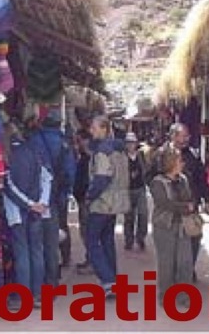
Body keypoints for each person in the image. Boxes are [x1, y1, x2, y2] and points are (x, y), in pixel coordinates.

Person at [3, 123, 51, 308]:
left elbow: (9, 187)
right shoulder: (33, 151)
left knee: (22, 252)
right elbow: (47, 178)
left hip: (18, 212)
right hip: (37, 210)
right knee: (36, 251)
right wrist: (42, 203)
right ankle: (38, 295)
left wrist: (29, 205)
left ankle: (24, 297)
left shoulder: (7, 156)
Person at [154, 123, 209, 282]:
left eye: (187, 136)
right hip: (170, 209)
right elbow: (151, 177)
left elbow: (201, 177)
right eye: (183, 136)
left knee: (194, 237)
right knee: (171, 245)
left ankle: (187, 270)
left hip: (190, 205)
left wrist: (206, 199)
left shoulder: (191, 154)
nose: (186, 139)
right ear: (173, 136)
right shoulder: (161, 154)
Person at [28, 108, 76, 286]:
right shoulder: (64, 143)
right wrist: (66, 193)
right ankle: (53, 279)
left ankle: (38, 283)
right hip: (56, 197)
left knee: (35, 241)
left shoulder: (34, 139)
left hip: (34, 198)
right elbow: (71, 171)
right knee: (51, 239)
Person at [86, 115, 127, 295]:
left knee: (91, 240)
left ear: (104, 129)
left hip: (103, 202)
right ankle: (113, 280)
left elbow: (102, 177)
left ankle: (108, 280)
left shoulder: (103, 151)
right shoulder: (119, 150)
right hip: (116, 202)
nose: (91, 131)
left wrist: (90, 196)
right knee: (107, 239)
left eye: (94, 128)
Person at [149, 146, 194, 307]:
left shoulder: (183, 179)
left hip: (183, 225)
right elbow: (164, 204)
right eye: (179, 160)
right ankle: (165, 295)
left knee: (185, 262)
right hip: (164, 226)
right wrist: (184, 207)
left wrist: (186, 205)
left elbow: (189, 198)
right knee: (166, 263)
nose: (182, 163)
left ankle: (184, 296)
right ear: (172, 162)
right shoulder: (157, 182)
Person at [123, 132, 148, 251]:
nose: (130, 145)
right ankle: (129, 240)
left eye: (132, 143)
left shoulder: (140, 155)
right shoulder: (122, 157)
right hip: (127, 189)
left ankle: (140, 238)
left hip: (140, 188)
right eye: (128, 143)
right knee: (129, 217)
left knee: (143, 214)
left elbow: (145, 169)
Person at [73, 130, 93, 274]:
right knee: (87, 231)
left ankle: (92, 262)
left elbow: (85, 181)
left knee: (88, 232)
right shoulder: (85, 158)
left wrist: (82, 195)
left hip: (87, 200)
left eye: (79, 140)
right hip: (85, 199)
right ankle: (90, 259)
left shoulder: (88, 160)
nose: (77, 144)